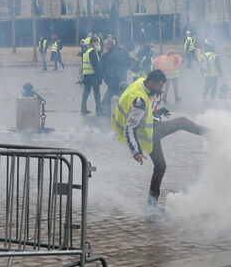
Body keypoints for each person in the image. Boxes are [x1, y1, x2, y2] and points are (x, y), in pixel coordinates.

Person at [112, 70, 206, 214]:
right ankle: (211, 134)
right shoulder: (140, 101)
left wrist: (156, 112)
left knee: (160, 166)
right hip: (148, 134)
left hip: (149, 130)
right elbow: (129, 127)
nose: (160, 90)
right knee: (182, 122)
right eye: (158, 86)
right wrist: (135, 151)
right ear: (150, 82)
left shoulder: (140, 83)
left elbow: (145, 109)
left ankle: (152, 205)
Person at [78, 37, 102, 115]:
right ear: (94, 42)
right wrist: (99, 75)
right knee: (96, 92)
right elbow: (95, 65)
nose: (98, 44)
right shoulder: (92, 51)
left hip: (87, 74)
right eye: (97, 42)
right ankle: (98, 108)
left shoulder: (86, 50)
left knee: (86, 92)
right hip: (93, 75)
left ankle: (83, 108)